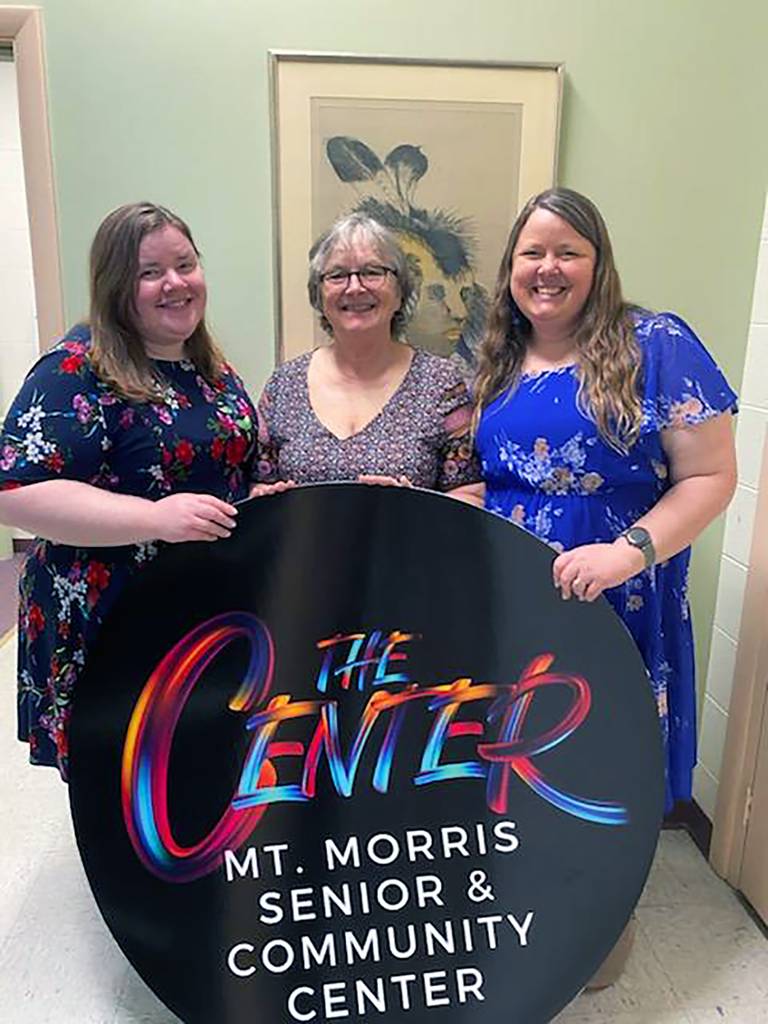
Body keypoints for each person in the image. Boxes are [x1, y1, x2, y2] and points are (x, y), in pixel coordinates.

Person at [473, 187, 737, 988]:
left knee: (598, 761)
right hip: (511, 598)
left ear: (598, 263)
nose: (547, 269)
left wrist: (626, 553)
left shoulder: (653, 342)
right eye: (532, 253)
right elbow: (495, 481)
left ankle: (598, 919)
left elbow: (713, 477)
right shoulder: (494, 353)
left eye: (567, 252)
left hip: (618, 596)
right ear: (511, 266)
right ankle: (527, 909)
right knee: (521, 761)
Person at [0, 202, 257, 779]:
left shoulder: (211, 368)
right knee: (119, 776)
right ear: (117, 285)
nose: (175, 283)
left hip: (197, 604)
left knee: (188, 763)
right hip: (104, 611)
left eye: (185, 265)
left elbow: (223, 471)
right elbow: (14, 489)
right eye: (150, 272)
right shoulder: (74, 369)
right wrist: (154, 519)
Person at [253, 213, 484, 503]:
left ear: (401, 293)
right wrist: (265, 497)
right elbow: (256, 486)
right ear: (318, 296)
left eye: (372, 272)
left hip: (410, 548)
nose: (355, 287)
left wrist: (417, 508)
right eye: (337, 275)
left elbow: (471, 494)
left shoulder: (441, 384)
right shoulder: (283, 385)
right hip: (301, 549)